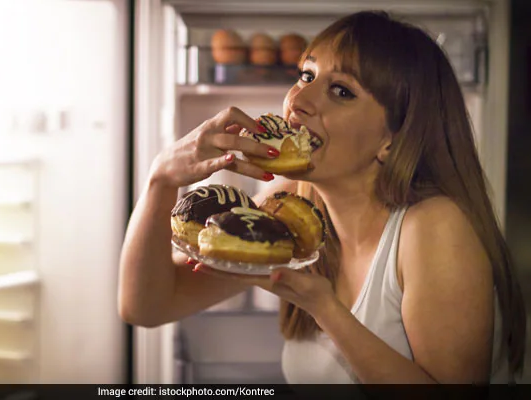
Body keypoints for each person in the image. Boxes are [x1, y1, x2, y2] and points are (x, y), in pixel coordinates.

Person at [117, 10, 526, 384]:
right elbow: (147, 306)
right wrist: (160, 182)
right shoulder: (286, 209)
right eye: (307, 76)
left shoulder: (434, 227)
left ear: (392, 140)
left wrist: (325, 309)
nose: (299, 102)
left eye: (342, 91)